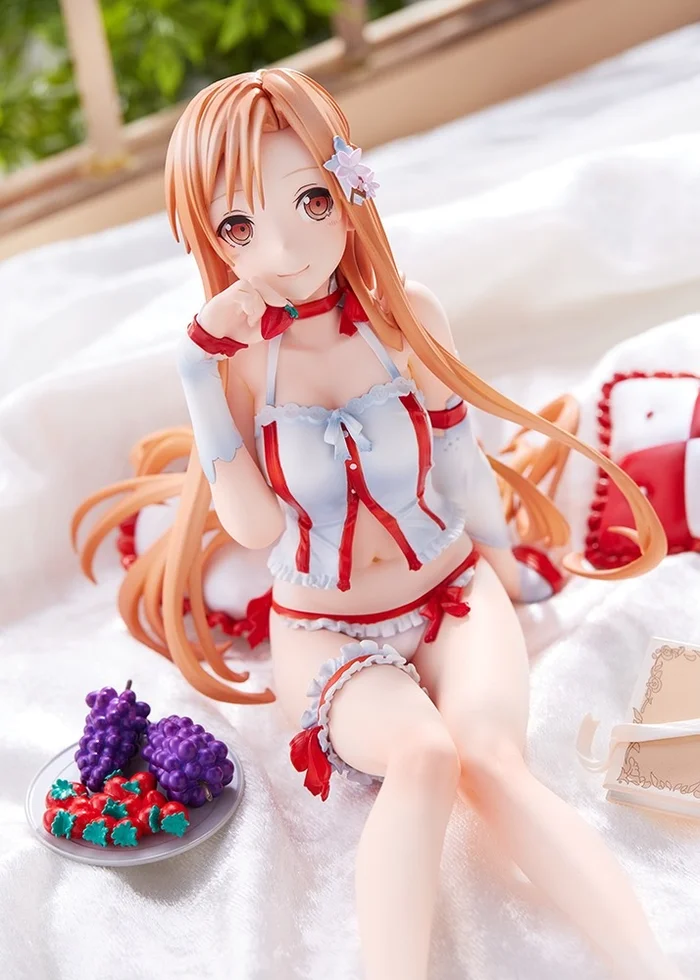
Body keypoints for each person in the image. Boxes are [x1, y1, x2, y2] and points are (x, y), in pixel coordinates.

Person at [74, 68, 682, 980]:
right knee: (425, 757)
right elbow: (251, 527)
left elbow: (461, 461)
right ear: (209, 236)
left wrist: (507, 563)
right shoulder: (239, 369)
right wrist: (198, 373)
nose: (285, 247)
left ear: (349, 185)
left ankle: (657, 966)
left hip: (454, 591)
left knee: (492, 760)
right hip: (325, 630)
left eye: (310, 199)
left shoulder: (405, 320)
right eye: (239, 225)